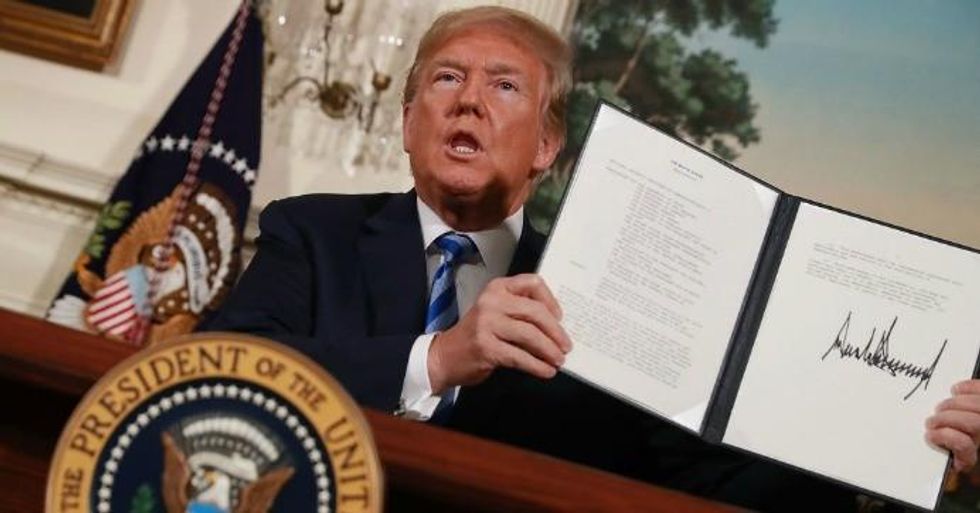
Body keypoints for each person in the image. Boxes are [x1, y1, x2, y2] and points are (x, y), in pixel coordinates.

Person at [206, 6, 980, 511]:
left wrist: (896, 444)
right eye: (447, 78)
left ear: (547, 145)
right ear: (410, 122)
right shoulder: (311, 231)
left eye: (504, 86)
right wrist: (437, 358)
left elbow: (721, 484)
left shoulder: (605, 291)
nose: (469, 99)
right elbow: (220, 369)